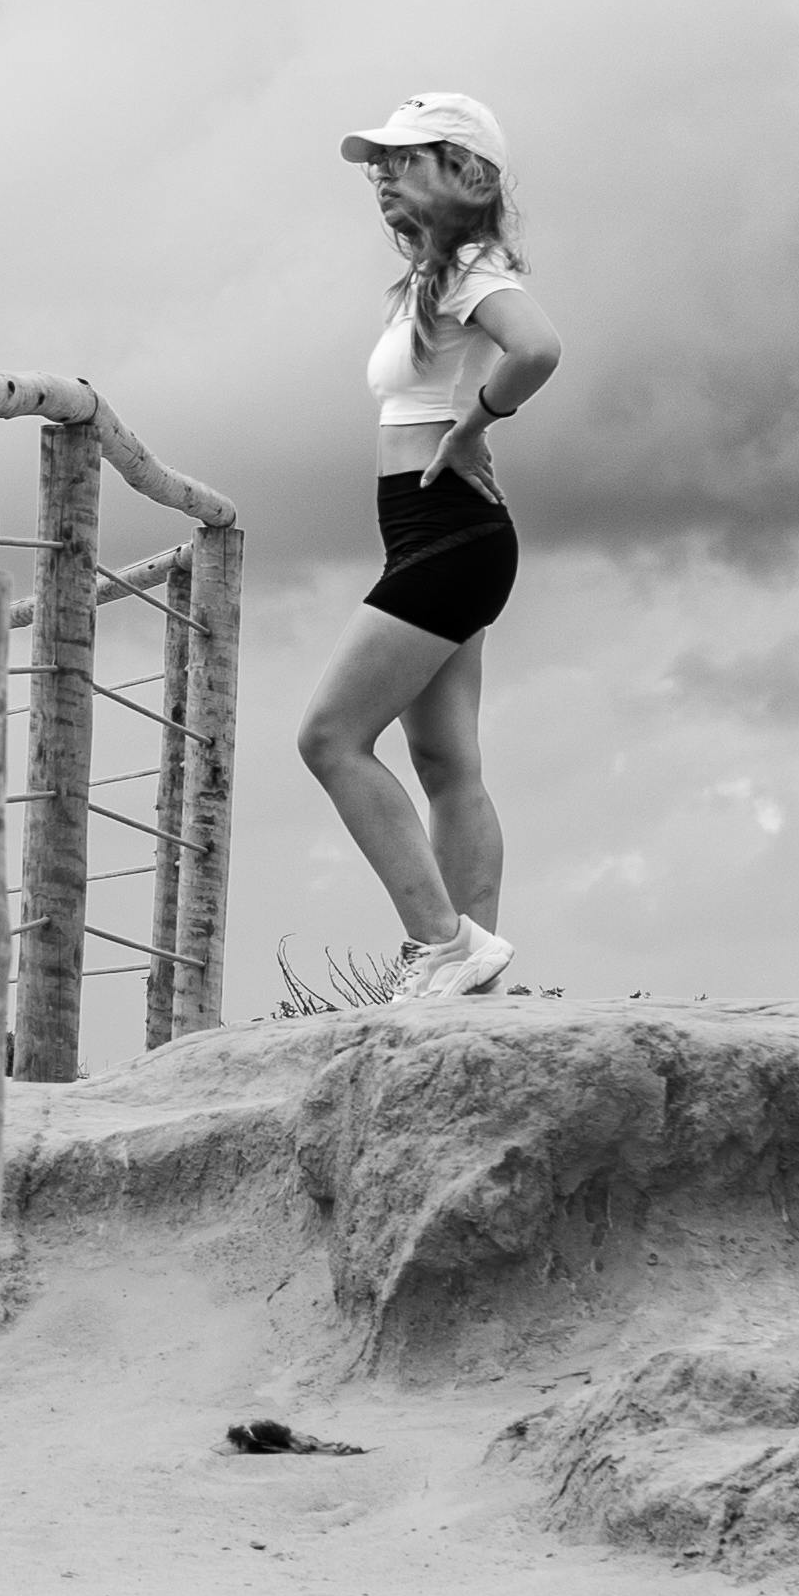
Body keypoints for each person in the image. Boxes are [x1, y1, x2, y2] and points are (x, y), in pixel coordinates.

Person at [295, 88, 560, 1003]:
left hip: (449, 533)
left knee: (330, 738)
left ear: (467, 171)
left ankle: (440, 942)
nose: (380, 176)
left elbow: (538, 348)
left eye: (402, 158)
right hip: (437, 532)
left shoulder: (472, 271)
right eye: (377, 163)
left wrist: (476, 425)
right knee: (448, 765)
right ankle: (471, 971)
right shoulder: (436, 275)